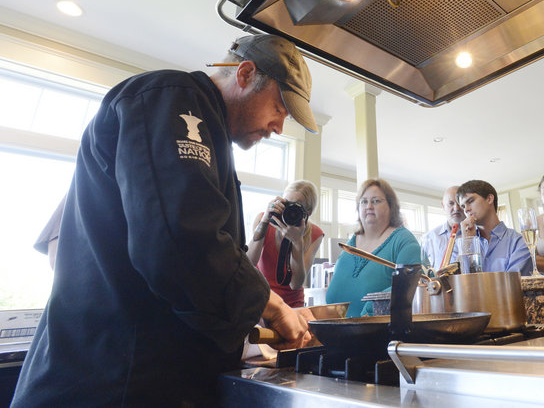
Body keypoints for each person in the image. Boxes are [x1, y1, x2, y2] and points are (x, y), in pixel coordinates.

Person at [12, 34, 317, 407]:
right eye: (280, 107)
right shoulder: (174, 99)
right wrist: (273, 307)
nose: (279, 127)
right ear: (245, 74)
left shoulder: (209, 134)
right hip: (107, 383)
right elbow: (183, 244)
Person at [326, 178, 422, 317]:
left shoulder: (404, 241)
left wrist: (373, 305)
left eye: (376, 201)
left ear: (391, 206)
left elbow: (411, 285)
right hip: (335, 333)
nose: (369, 206)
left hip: (379, 335)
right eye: (364, 201)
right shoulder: (350, 245)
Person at [247, 180, 324, 308]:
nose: (289, 209)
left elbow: (296, 283)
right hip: (260, 300)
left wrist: (297, 242)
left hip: (292, 305)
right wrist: (265, 220)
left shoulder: (315, 234)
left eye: (296, 205)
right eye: (286, 203)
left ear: (308, 212)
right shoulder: (263, 219)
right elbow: (250, 262)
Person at [454, 180, 533, 274]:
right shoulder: (464, 243)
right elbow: (462, 283)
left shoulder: (518, 242)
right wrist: (468, 242)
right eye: (463, 206)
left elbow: (512, 285)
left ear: (489, 199)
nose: (466, 209)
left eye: (470, 201)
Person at [419, 185, 465, 270]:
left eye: (460, 203)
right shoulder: (429, 237)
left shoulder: (480, 234)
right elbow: (422, 269)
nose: (456, 208)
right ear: (443, 206)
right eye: (451, 203)